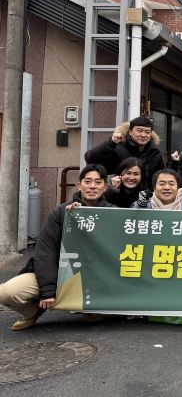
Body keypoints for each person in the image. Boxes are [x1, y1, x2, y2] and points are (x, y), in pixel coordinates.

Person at [0, 165, 114, 331]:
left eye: (98, 182)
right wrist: (47, 290)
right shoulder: (61, 212)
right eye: (87, 181)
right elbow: (45, 252)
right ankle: (33, 311)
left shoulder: (112, 213)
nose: (92, 186)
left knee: (98, 307)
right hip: (58, 272)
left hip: (94, 277)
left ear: (105, 187)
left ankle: (92, 309)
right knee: (6, 293)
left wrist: (86, 215)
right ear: (79, 185)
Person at [84, 116, 164, 185]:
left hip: (147, 196)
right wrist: (111, 143)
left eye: (147, 132)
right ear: (130, 131)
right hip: (120, 194)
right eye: (139, 131)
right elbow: (90, 158)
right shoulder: (118, 149)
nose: (143, 135)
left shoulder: (155, 153)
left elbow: (160, 177)